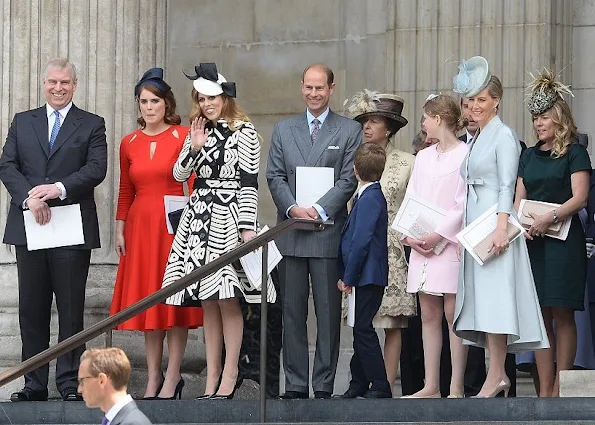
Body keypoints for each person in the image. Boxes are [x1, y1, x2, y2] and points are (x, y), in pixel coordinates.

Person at [161, 62, 274, 400]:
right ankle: (211, 377)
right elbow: (179, 175)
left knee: (227, 297)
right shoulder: (197, 129)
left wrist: (246, 226)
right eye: (201, 98)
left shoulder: (245, 131)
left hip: (228, 216)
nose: (207, 104)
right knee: (207, 299)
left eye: (213, 98)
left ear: (225, 98)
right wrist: (194, 147)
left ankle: (232, 371)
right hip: (198, 219)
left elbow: (249, 182)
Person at [0, 58, 107, 402]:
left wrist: (57, 188)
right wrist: (29, 197)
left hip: (71, 229)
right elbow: (8, 164)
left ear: (75, 85)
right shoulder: (23, 120)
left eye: (65, 83)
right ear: (43, 83)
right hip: (30, 226)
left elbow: (96, 168)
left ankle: (68, 382)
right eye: (52, 82)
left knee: (71, 309)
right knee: (31, 308)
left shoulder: (92, 123)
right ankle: (34, 384)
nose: (58, 88)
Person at [452, 56, 549, 398]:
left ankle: (496, 375)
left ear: (496, 100)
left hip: (495, 224)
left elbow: (508, 185)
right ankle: (495, 374)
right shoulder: (477, 136)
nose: (475, 106)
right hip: (478, 222)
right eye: (470, 101)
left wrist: (500, 228)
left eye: (481, 100)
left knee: (496, 300)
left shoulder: (504, 135)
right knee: (485, 300)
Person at [266, 63, 362, 399]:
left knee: (328, 315)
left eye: (320, 88)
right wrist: (294, 209)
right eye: (308, 87)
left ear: (332, 88)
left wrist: (319, 210)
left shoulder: (349, 130)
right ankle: (294, 383)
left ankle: (322, 385)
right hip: (292, 233)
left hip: (327, 233)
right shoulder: (283, 129)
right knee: (292, 314)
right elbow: (275, 176)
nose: (314, 94)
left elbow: (349, 179)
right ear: (301, 87)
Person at [109, 68, 203, 400]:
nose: (149, 107)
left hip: (173, 228)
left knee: (174, 303)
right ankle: (153, 377)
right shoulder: (128, 142)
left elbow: (193, 183)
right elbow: (125, 191)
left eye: (155, 101)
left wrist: (193, 229)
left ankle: (173, 376)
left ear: (167, 104)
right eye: (143, 101)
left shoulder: (182, 135)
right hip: (140, 230)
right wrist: (119, 230)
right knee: (150, 306)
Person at [514, 69, 591, 397]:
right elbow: (518, 198)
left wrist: (550, 216)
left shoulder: (575, 152)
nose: (538, 124)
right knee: (540, 315)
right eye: (534, 118)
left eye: (544, 117)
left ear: (558, 118)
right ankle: (544, 389)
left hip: (563, 241)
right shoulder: (528, 155)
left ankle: (562, 384)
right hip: (534, 241)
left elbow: (580, 197)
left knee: (562, 313)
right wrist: (523, 223)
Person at [344, 90, 416, 391]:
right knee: (362, 323)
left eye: (374, 121)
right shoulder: (356, 158)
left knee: (392, 323)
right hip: (362, 251)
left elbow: (416, 207)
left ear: (389, 127)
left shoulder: (408, 162)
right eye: (364, 121)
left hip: (393, 250)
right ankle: (364, 382)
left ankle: (382, 383)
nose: (367, 127)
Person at [400, 94, 469, 398]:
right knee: (428, 314)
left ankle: (455, 387)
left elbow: (462, 202)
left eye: (426, 117)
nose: (423, 123)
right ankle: (431, 385)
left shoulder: (466, 153)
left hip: (449, 244)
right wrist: (410, 234)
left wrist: (440, 234)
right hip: (421, 244)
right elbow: (411, 197)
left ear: (439, 118)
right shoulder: (423, 157)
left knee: (453, 316)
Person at [337, 142, 392, 399]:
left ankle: (380, 383)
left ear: (355, 169)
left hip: (367, 276)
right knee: (360, 327)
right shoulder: (368, 195)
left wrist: (348, 277)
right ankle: (358, 382)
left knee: (362, 328)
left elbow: (361, 241)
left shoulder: (370, 198)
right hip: (366, 275)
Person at [78, 348, 152, 425]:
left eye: (83, 381)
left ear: (102, 380)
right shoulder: (118, 420)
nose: (79, 389)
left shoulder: (132, 423)